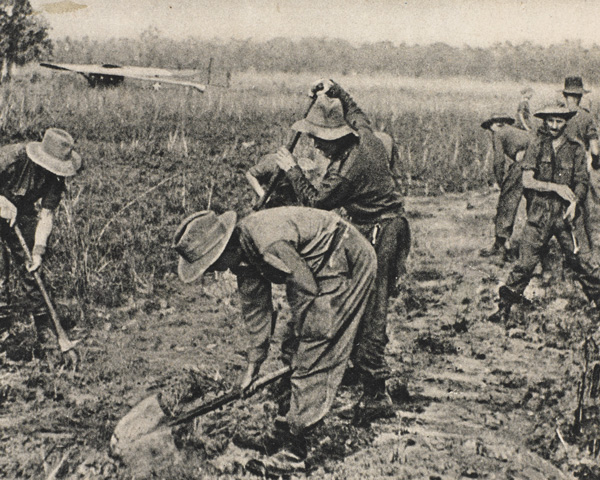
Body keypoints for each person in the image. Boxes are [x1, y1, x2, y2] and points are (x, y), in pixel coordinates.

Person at [172, 207, 377, 474]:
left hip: (346, 259)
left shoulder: (267, 241)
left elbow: (305, 286)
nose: (216, 271)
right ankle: (286, 428)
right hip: (316, 271)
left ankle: (296, 451)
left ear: (224, 249)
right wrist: (252, 369)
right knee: (293, 348)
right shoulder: (242, 257)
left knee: (314, 347)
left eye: (213, 264)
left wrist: (306, 336)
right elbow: (257, 312)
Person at [274, 79, 411, 422]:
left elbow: (317, 203)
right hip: (373, 227)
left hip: (383, 232)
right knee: (352, 298)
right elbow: (357, 109)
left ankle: (375, 391)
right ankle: (355, 364)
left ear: (337, 139)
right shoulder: (365, 134)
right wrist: (336, 90)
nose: (318, 149)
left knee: (371, 307)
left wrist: (292, 171)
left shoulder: (350, 170)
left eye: (322, 143)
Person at [488, 105, 600, 326]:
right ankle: (504, 309)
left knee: (581, 262)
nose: (555, 126)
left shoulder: (576, 149)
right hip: (539, 215)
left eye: (559, 121)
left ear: (566, 122)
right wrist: (554, 187)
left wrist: (575, 203)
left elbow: (581, 182)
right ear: (545, 121)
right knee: (525, 264)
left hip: (565, 217)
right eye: (551, 121)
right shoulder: (536, 146)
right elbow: (527, 180)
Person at [0, 128, 82, 347]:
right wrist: (2, 202)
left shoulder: (56, 180)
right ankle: (2, 332)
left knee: (32, 268)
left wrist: (38, 251)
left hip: (20, 212)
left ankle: (44, 327)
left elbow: (46, 216)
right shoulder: (11, 158)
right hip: (3, 204)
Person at [480, 113, 531, 260]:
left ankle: (503, 246)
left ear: (494, 125)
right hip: (540, 165)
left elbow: (498, 161)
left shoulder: (499, 134)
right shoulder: (520, 132)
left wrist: (500, 181)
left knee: (506, 202)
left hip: (523, 165)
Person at [561, 76, 600, 248]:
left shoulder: (557, 115)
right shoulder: (586, 116)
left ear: (565, 95)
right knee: (584, 207)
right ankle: (587, 247)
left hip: (559, 165)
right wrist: (596, 163)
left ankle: (569, 247)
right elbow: (595, 149)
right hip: (580, 164)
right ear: (580, 96)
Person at [245, 153, 318, 208]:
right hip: (263, 189)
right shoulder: (273, 164)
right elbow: (250, 174)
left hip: (281, 194)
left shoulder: (296, 177)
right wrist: (262, 195)